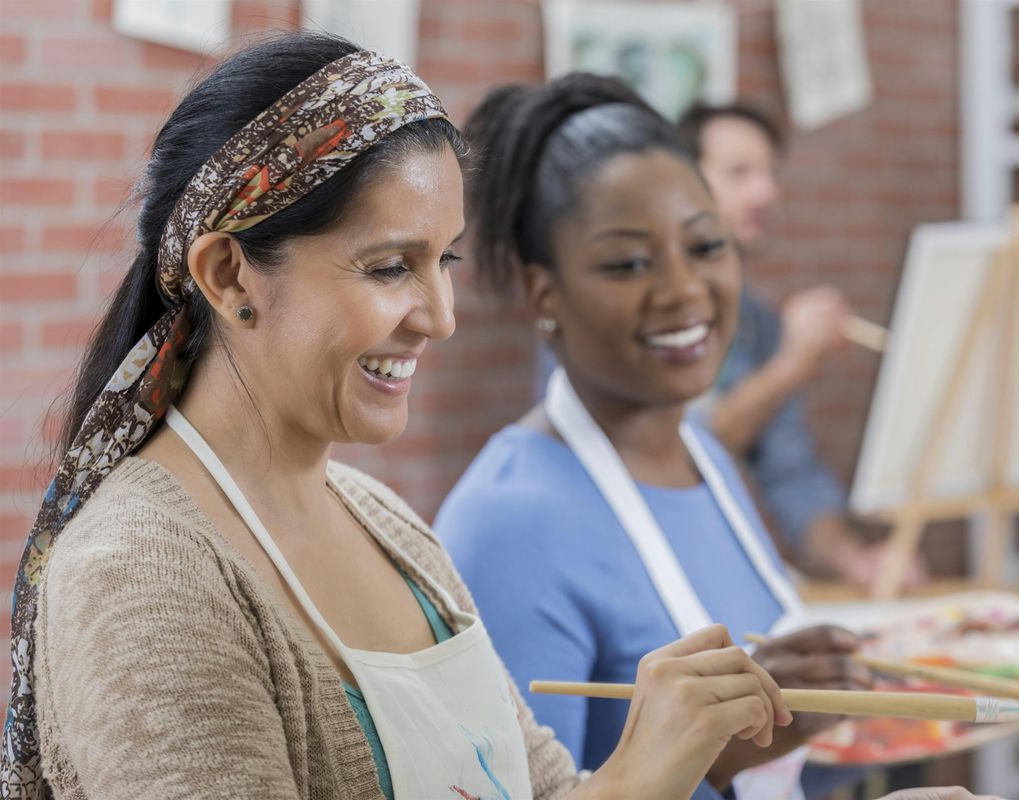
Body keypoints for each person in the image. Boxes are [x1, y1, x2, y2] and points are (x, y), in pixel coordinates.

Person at [0, 34, 803, 799]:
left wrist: (659, 754)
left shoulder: (385, 524)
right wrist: (635, 784)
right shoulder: (140, 574)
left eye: (444, 260)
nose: (441, 315)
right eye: (390, 267)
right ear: (229, 274)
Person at [438, 74, 884, 800]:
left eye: (706, 246)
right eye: (629, 263)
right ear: (541, 292)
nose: (684, 290)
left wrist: (775, 723)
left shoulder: (705, 457)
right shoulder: (511, 523)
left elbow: (715, 764)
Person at [676, 103, 925, 590]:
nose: (766, 191)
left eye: (769, 173)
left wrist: (855, 560)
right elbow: (671, 459)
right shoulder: (627, 313)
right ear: (680, 182)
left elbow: (793, 476)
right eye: (739, 172)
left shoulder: (759, 325)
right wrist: (788, 367)